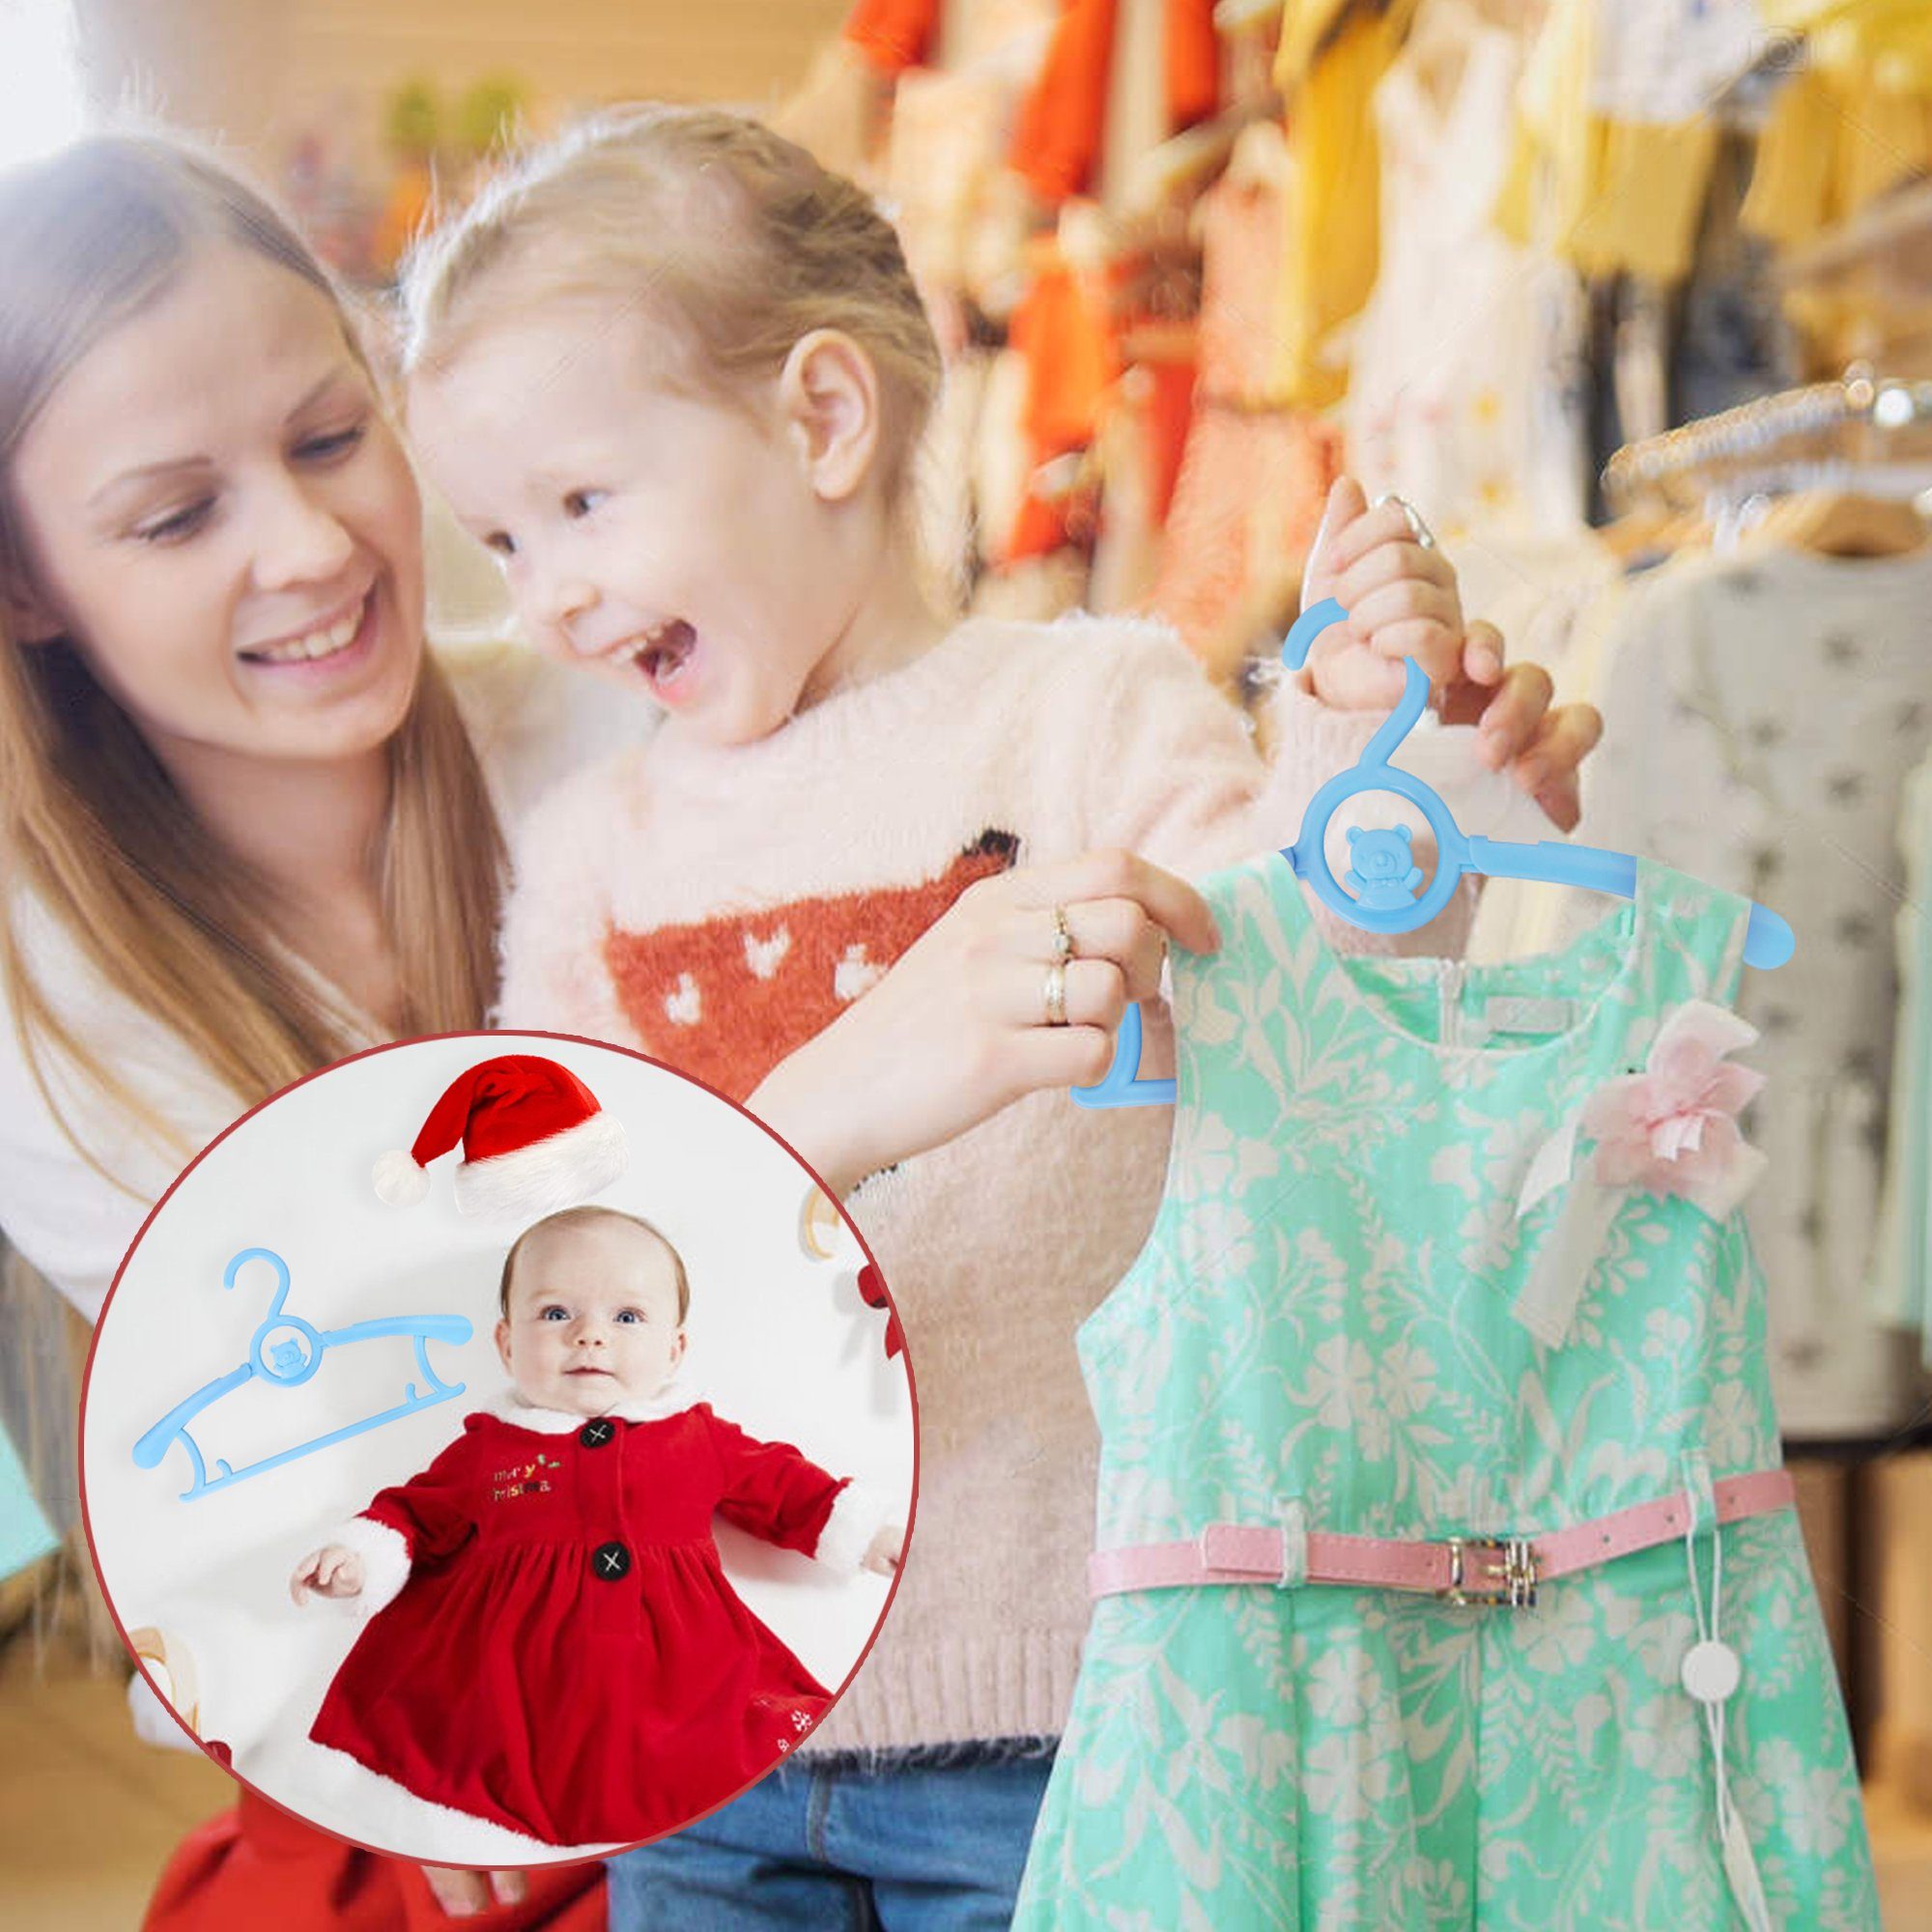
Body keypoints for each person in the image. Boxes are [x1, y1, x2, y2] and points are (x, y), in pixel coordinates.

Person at [396, 104, 1603, 1926]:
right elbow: (553, 1278)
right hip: (708, 1741)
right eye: (500, 539)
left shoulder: (1087, 716)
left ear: (820, 417)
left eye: (582, 503)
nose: (546, 592)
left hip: (1082, 1714)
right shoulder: (588, 853)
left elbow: (1311, 996)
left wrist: (1376, 744)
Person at [0, 131, 1217, 1925]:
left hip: (899, 1665)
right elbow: (367, 1468)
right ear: (26, 585)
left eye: (336, 441)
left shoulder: (631, 722)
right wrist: (830, 1103)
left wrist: (1401, 787)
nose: (315, 544)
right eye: (178, 516)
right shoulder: (50, 1021)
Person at [293, 1202, 904, 1847]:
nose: (589, 1335)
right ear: (506, 1344)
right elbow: (415, 1513)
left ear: (674, 1350)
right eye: (556, 1314)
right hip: (511, 1693)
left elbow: (783, 1486)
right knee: (471, 1795)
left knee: (757, 1753)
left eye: (627, 1317)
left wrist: (869, 1533)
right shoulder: (488, 1451)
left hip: (687, 1676)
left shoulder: (694, 1438)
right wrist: (360, 1558)